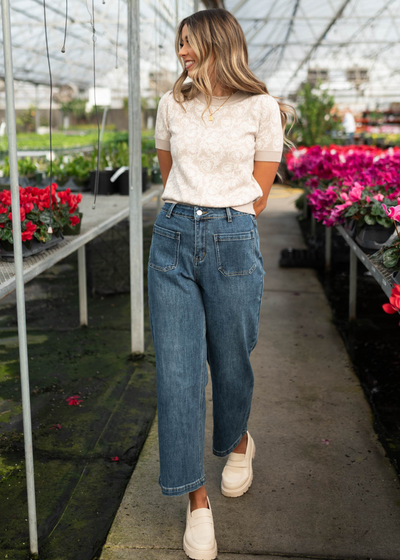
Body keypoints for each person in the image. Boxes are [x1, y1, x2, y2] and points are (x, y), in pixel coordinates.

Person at [148, 9, 293, 560]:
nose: (182, 52)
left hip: (233, 236)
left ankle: (238, 439)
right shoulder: (171, 104)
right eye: (179, 43)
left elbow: (259, 191)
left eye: (190, 43)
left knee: (231, 357)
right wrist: (194, 208)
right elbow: (169, 172)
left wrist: (222, 217)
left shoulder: (261, 107)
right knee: (178, 373)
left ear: (218, 44)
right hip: (173, 236)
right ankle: (196, 502)